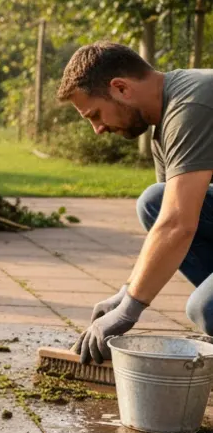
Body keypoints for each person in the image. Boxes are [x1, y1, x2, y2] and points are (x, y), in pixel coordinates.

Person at [56, 42, 213, 364]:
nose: (97, 129)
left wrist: (130, 309)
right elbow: (166, 221)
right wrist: (125, 291)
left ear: (121, 88)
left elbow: (178, 225)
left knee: (206, 308)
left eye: (95, 115)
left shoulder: (192, 105)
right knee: (154, 202)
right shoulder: (165, 124)